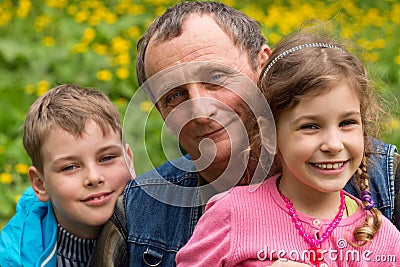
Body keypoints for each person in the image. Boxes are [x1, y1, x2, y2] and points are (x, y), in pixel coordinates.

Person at [92, 2, 400, 266]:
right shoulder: (137, 214)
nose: (200, 110)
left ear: (263, 65)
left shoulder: (386, 180)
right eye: (174, 96)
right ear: (161, 112)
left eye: (216, 78)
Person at [176, 30, 400, 267]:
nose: (334, 144)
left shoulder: (382, 238)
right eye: (310, 126)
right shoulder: (231, 214)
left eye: (347, 123)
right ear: (270, 135)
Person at [0, 84, 135, 266]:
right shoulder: (14, 258)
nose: (94, 178)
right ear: (40, 184)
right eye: (70, 167)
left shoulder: (164, 229)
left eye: (107, 158)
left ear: (129, 160)